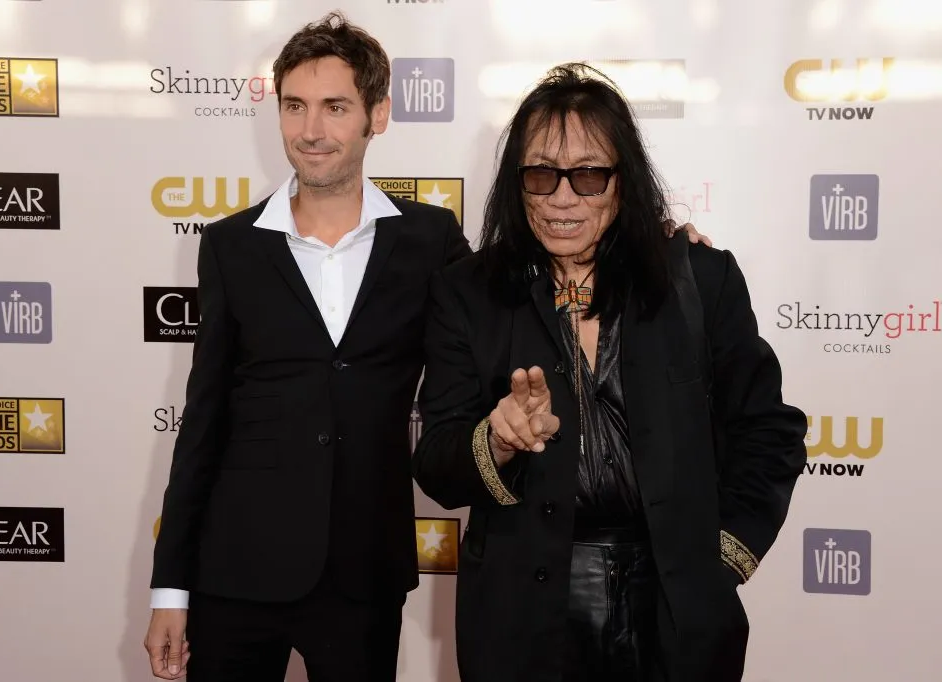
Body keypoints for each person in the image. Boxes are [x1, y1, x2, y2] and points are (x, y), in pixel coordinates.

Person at [143, 13, 708, 681]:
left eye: (335, 107)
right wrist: (169, 589)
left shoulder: (429, 240)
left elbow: (526, 279)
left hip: (364, 572)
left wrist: (653, 241)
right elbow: (202, 424)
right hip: (234, 567)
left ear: (377, 114)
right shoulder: (232, 245)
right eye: (294, 106)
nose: (311, 130)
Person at [411, 62, 808, 682]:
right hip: (522, 619)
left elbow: (769, 432)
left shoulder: (700, 279)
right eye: (541, 174)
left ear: (623, 181)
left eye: (590, 175)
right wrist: (497, 439)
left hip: (675, 611)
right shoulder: (469, 293)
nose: (563, 197)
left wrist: (722, 558)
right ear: (517, 183)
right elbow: (436, 460)